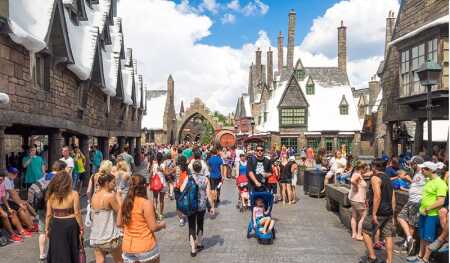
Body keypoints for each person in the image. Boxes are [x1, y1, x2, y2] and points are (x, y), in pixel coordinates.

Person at [118, 174, 166, 263]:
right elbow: (153, 227)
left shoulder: (125, 202)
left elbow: (119, 223)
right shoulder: (146, 203)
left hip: (128, 247)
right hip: (145, 246)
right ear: (144, 186)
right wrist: (162, 225)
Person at [409, 161, 448, 263]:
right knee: (422, 235)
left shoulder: (440, 183)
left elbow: (441, 201)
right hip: (424, 213)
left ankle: (425, 259)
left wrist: (427, 208)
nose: (421, 170)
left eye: (423, 169)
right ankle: (420, 256)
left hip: (432, 214)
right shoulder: (428, 180)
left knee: (428, 237)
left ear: (430, 170)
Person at [360, 159, 396, 263]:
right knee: (388, 236)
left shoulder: (375, 178)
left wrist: (374, 213)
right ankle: (389, 260)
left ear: (375, 167)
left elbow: (377, 196)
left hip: (378, 211)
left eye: (372, 166)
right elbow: (393, 197)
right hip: (388, 212)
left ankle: (372, 257)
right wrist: (392, 213)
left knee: (365, 232)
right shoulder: (388, 178)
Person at [45, 170, 82, 263]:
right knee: (71, 249)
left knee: (56, 249)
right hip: (70, 223)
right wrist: (81, 227)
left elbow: (48, 214)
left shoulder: (51, 195)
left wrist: (46, 228)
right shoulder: (74, 194)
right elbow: (77, 213)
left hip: (56, 224)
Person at [89, 172, 123, 263]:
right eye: (113, 182)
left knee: (100, 259)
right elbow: (120, 211)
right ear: (107, 183)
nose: (115, 184)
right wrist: (119, 197)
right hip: (110, 234)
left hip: (96, 234)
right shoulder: (110, 196)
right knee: (119, 260)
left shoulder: (94, 195)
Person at [184, 161, 215, 257]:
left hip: (191, 205)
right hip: (201, 205)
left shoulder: (188, 178)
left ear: (192, 168)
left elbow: (181, 190)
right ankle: (200, 243)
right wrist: (212, 207)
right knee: (200, 223)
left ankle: (193, 249)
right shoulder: (205, 179)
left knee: (191, 226)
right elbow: (208, 194)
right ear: (201, 168)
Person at [397, 155, 425, 255]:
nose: (410, 165)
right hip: (411, 200)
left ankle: (407, 244)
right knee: (401, 217)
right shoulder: (417, 172)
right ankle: (409, 239)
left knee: (411, 224)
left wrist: (408, 179)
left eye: (412, 163)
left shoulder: (422, 172)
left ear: (416, 163)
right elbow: (417, 186)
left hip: (416, 201)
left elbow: (423, 187)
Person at [4, 167, 37, 232]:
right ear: (8, 173)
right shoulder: (6, 179)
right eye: (13, 174)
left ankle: (31, 224)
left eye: (16, 174)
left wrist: (20, 202)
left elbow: (13, 193)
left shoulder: (10, 180)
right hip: (5, 201)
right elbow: (13, 194)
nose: (15, 175)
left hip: (8, 200)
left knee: (24, 204)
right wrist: (20, 203)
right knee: (21, 208)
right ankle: (30, 226)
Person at [0, 169, 28, 243]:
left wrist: (8, 208)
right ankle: (12, 235)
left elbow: (3, 198)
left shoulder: (2, 184)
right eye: (0, 180)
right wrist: (2, 211)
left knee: (12, 212)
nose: (1, 181)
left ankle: (21, 231)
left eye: (2, 180)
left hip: (2, 203)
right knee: (4, 215)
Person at [348, 161, 368, 241]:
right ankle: (359, 235)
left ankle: (354, 233)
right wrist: (356, 186)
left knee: (354, 216)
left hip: (353, 199)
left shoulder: (357, 174)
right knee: (363, 216)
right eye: (365, 169)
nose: (366, 170)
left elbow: (365, 175)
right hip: (359, 200)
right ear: (362, 169)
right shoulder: (357, 175)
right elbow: (352, 181)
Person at [150, 152, 167, 220]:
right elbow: (166, 174)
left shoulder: (154, 165)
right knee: (161, 200)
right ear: (162, 157)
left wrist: (150, 182)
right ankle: (161, 214)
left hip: (155, 183)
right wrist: (162, 171)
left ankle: (155, 213)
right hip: (162, 183)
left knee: (155, 199)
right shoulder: (163, 165)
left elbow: (151, 174)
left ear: (156, 157)